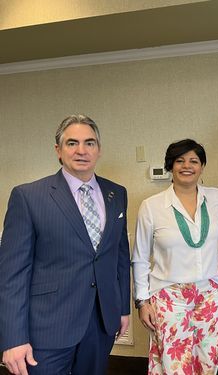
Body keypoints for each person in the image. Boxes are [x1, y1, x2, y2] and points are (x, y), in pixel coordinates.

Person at [0, 115, 131, 375]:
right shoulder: (28, 197)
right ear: (58, 151)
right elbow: (11, 275)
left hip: (101, 323)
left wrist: (122, 309)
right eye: (72, 143)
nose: (81, 150)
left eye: (89, 143)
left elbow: (119, 256)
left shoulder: (117, 193)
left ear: (99, 150)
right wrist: (13, 338)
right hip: (48, 326)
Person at [132, 139, 218, 375]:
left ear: (202, 166)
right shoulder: (152, 206)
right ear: (170, 166)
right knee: (175, 363)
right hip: (169, 296)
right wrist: (142, 302)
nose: (187, 166)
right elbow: (140, 258)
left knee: (210, 359)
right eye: (180, 160)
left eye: (194, 160)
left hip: (210, 294)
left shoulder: (217, 199)